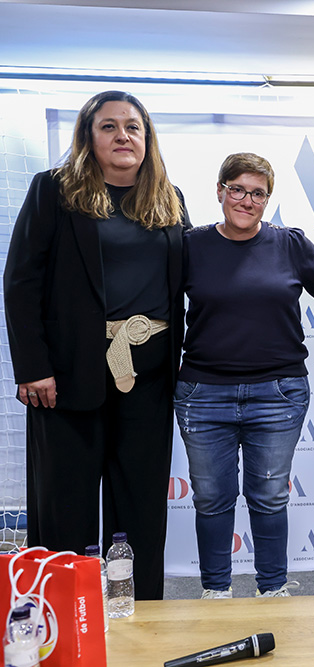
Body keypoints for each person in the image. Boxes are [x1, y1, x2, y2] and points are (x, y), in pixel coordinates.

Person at [4, 90, 188, 600]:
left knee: (141, 512)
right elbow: (20, 282)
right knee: (65, 508)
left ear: (147, 138)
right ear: (88, 136)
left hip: (148, 383)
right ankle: (62, 615)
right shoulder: (54, 192)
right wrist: (32, 368)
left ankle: (140, 613)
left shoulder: (170, 199)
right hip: (63, 380)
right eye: (108, 126)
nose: (122, 135)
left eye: (132, 126)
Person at [174, 152, 314, 598]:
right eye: (237, 189)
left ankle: (272, 589)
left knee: (270, 497)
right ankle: (216, 591)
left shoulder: (289, 243)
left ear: (267, 200)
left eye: (258, 193)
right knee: (211, 499)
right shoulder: (191, 245)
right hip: (203, 392)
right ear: (220, 191)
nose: (246, 200)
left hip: (278, 393)